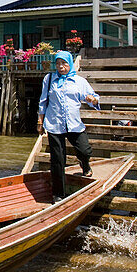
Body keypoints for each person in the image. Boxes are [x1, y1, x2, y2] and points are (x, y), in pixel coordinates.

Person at [37, 50, 99, 198]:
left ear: (70, 64)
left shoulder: (79, 81)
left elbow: (94, 98)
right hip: (54, 124)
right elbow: (43, 101)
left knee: (84, 150)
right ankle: (58, 195)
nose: (60, 67)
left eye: (64, 63)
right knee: (58, 161)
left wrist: (92, 99)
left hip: (74, 124)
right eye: (57, 64)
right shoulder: (49, 78)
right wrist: (40, 122)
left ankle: (85, 164)